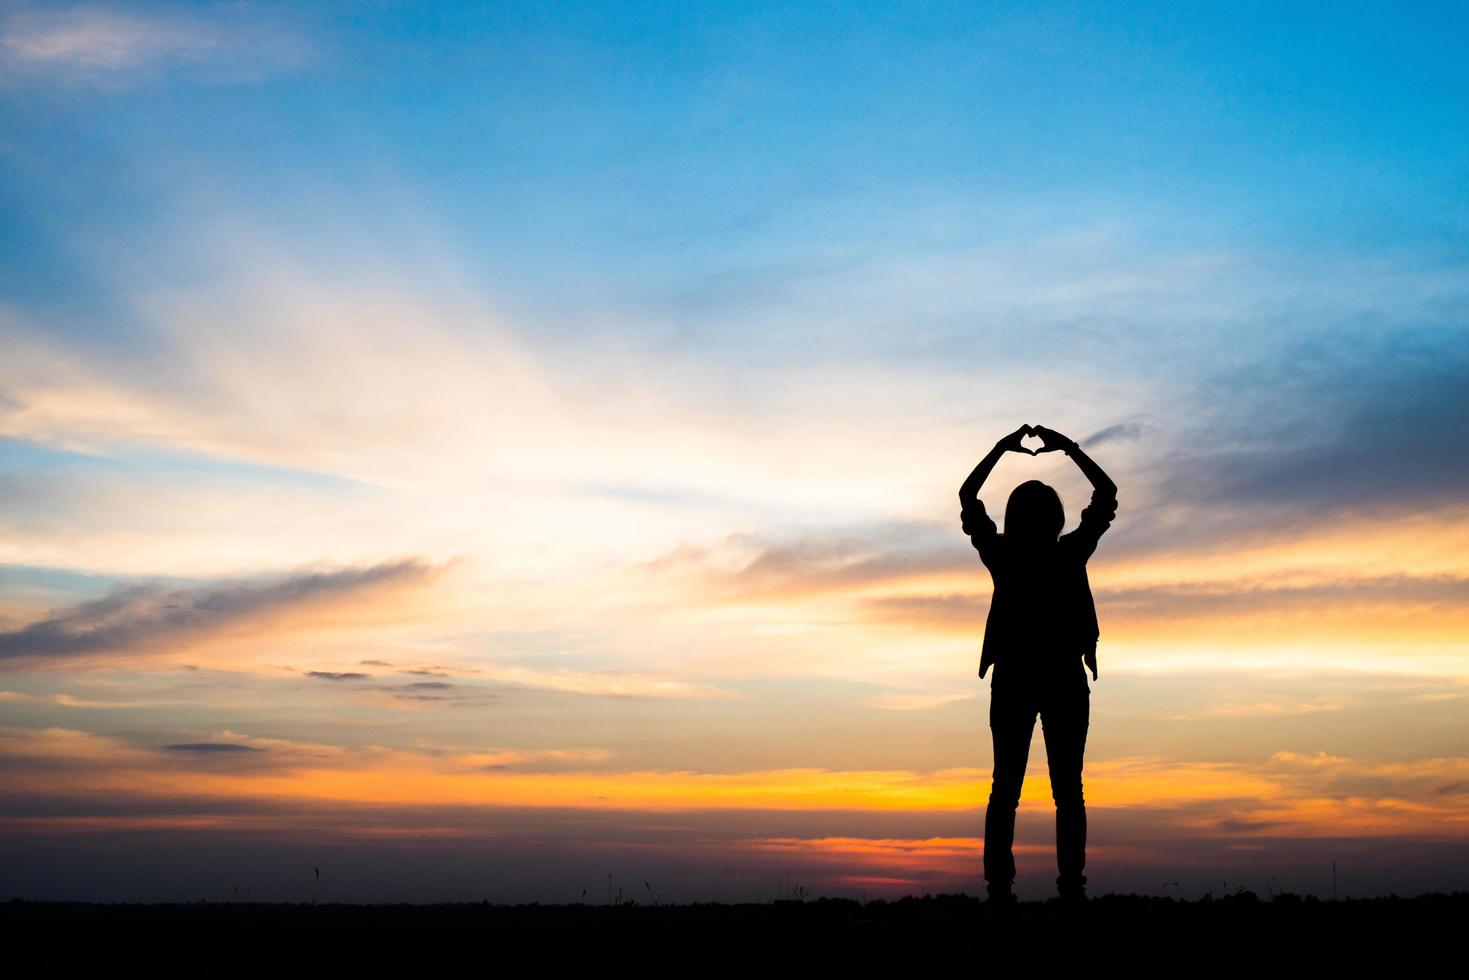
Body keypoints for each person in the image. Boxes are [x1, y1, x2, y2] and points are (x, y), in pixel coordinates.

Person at [958, 423, 1118, 910]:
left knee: (1006, 787)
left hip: (1018, 677)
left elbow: (968, 496)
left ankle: (1002, 892)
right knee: (1067, 790)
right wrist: (1067, 448)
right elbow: (1106, 493)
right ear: (1055, 516)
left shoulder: (1003, 554)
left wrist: (1000, 451)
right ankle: (1069, 889)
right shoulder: (1068, 553)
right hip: (1060, 677)